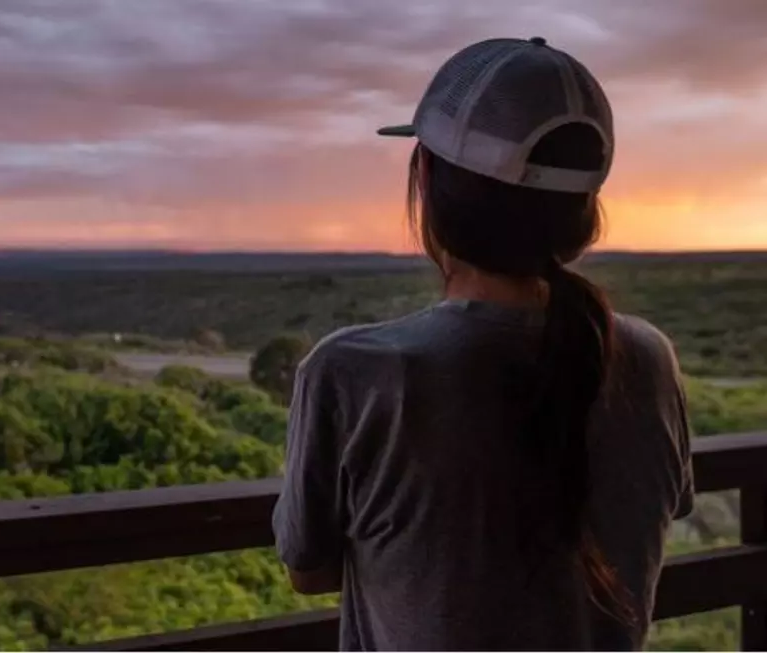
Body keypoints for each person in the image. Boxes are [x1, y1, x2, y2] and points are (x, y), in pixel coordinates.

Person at [272, 37, 694, 651]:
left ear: (428, 182)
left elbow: (308, 571)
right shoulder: (647, 359)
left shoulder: (357, 373)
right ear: (583, 208)